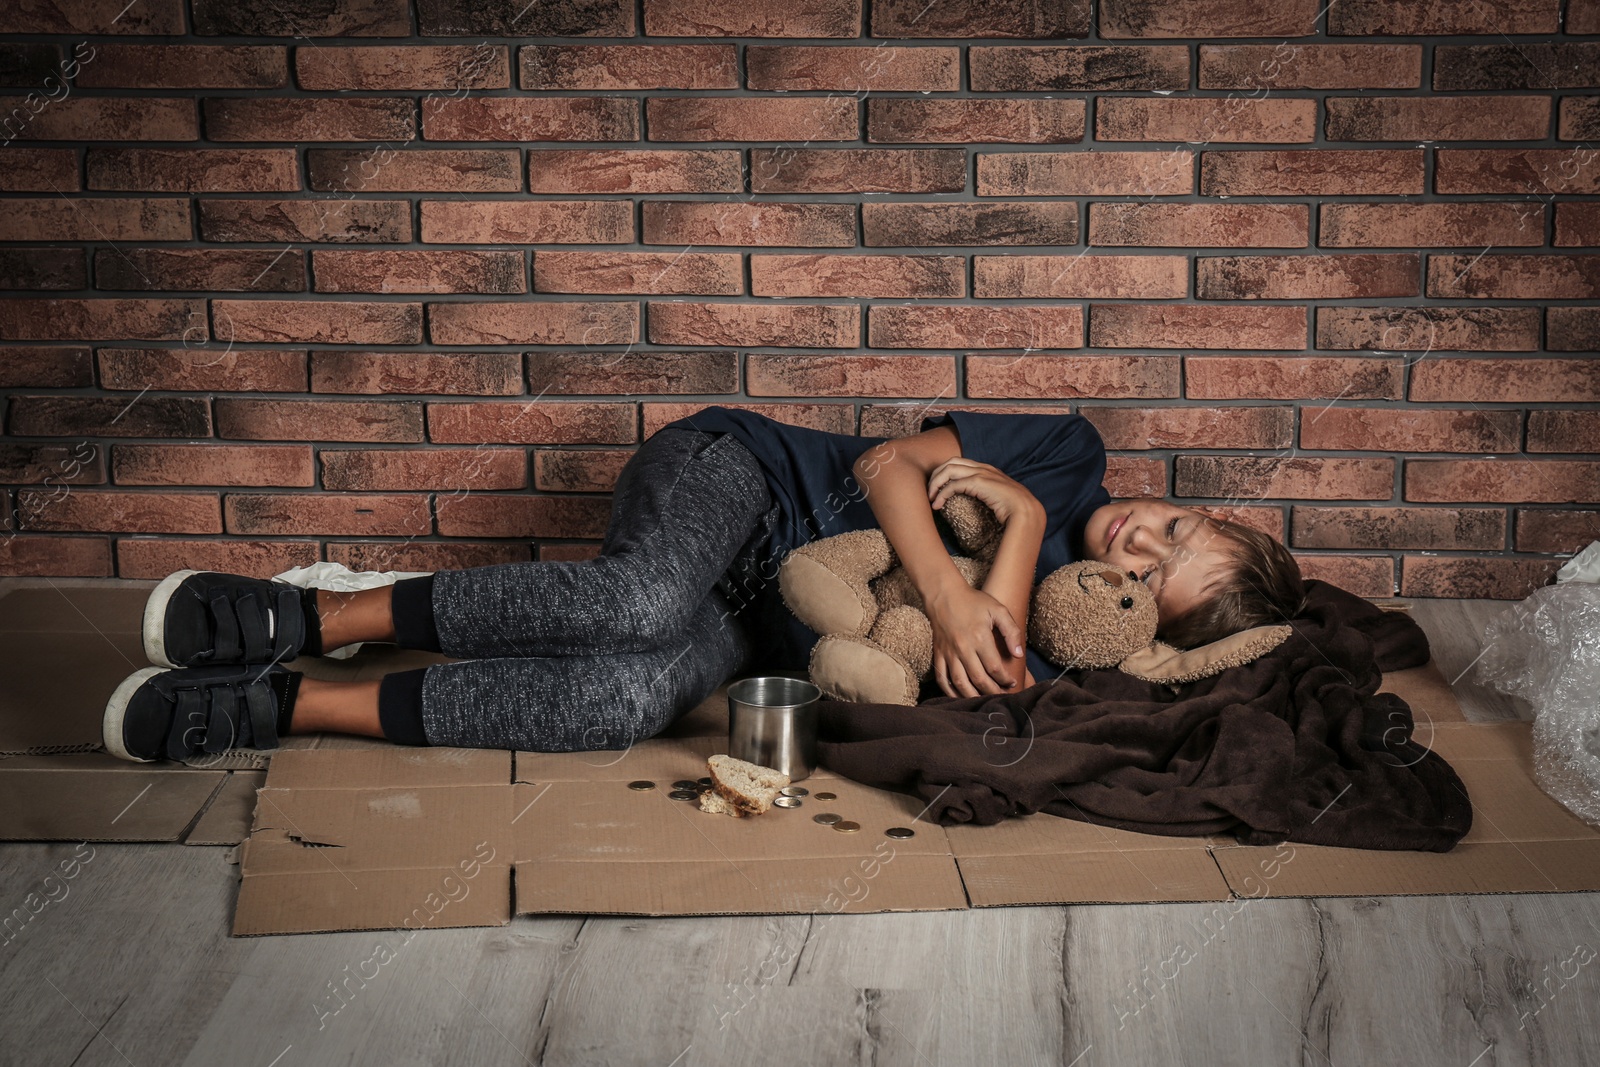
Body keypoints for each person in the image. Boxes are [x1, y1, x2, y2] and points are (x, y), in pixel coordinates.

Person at [102, 405, 1308, 763]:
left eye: (1156, 578)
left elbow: (935, 682)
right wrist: (1008, 530)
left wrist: (1011, 561)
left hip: (752, 619)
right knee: (634, 601)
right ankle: (312, 612)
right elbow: (893, 467)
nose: (1134, 547)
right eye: (1176, 525)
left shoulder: (1070, 635)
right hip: (744, 481)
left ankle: (286, 702)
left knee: (625, 702)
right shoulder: (1069, 458)